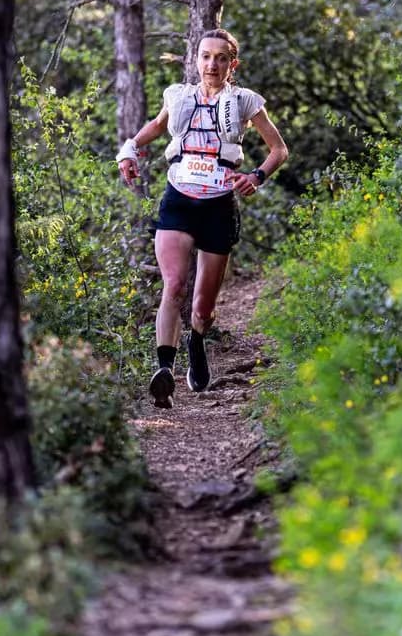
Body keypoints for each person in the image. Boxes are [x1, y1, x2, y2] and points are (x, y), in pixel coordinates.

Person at [116, 28, 288, 407]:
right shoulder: (178, 96)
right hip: (178, 199)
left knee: (202, 308)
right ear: (196, 60)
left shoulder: (244, 101)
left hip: (218, 206)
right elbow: (157, 127)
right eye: (206, 56)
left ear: (232, 64)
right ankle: (164, 372)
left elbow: (279, 149)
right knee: (174, 285)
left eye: (221, 58)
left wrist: (256, 176)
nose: (212, 64)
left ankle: (196, 340)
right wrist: (129, 149)